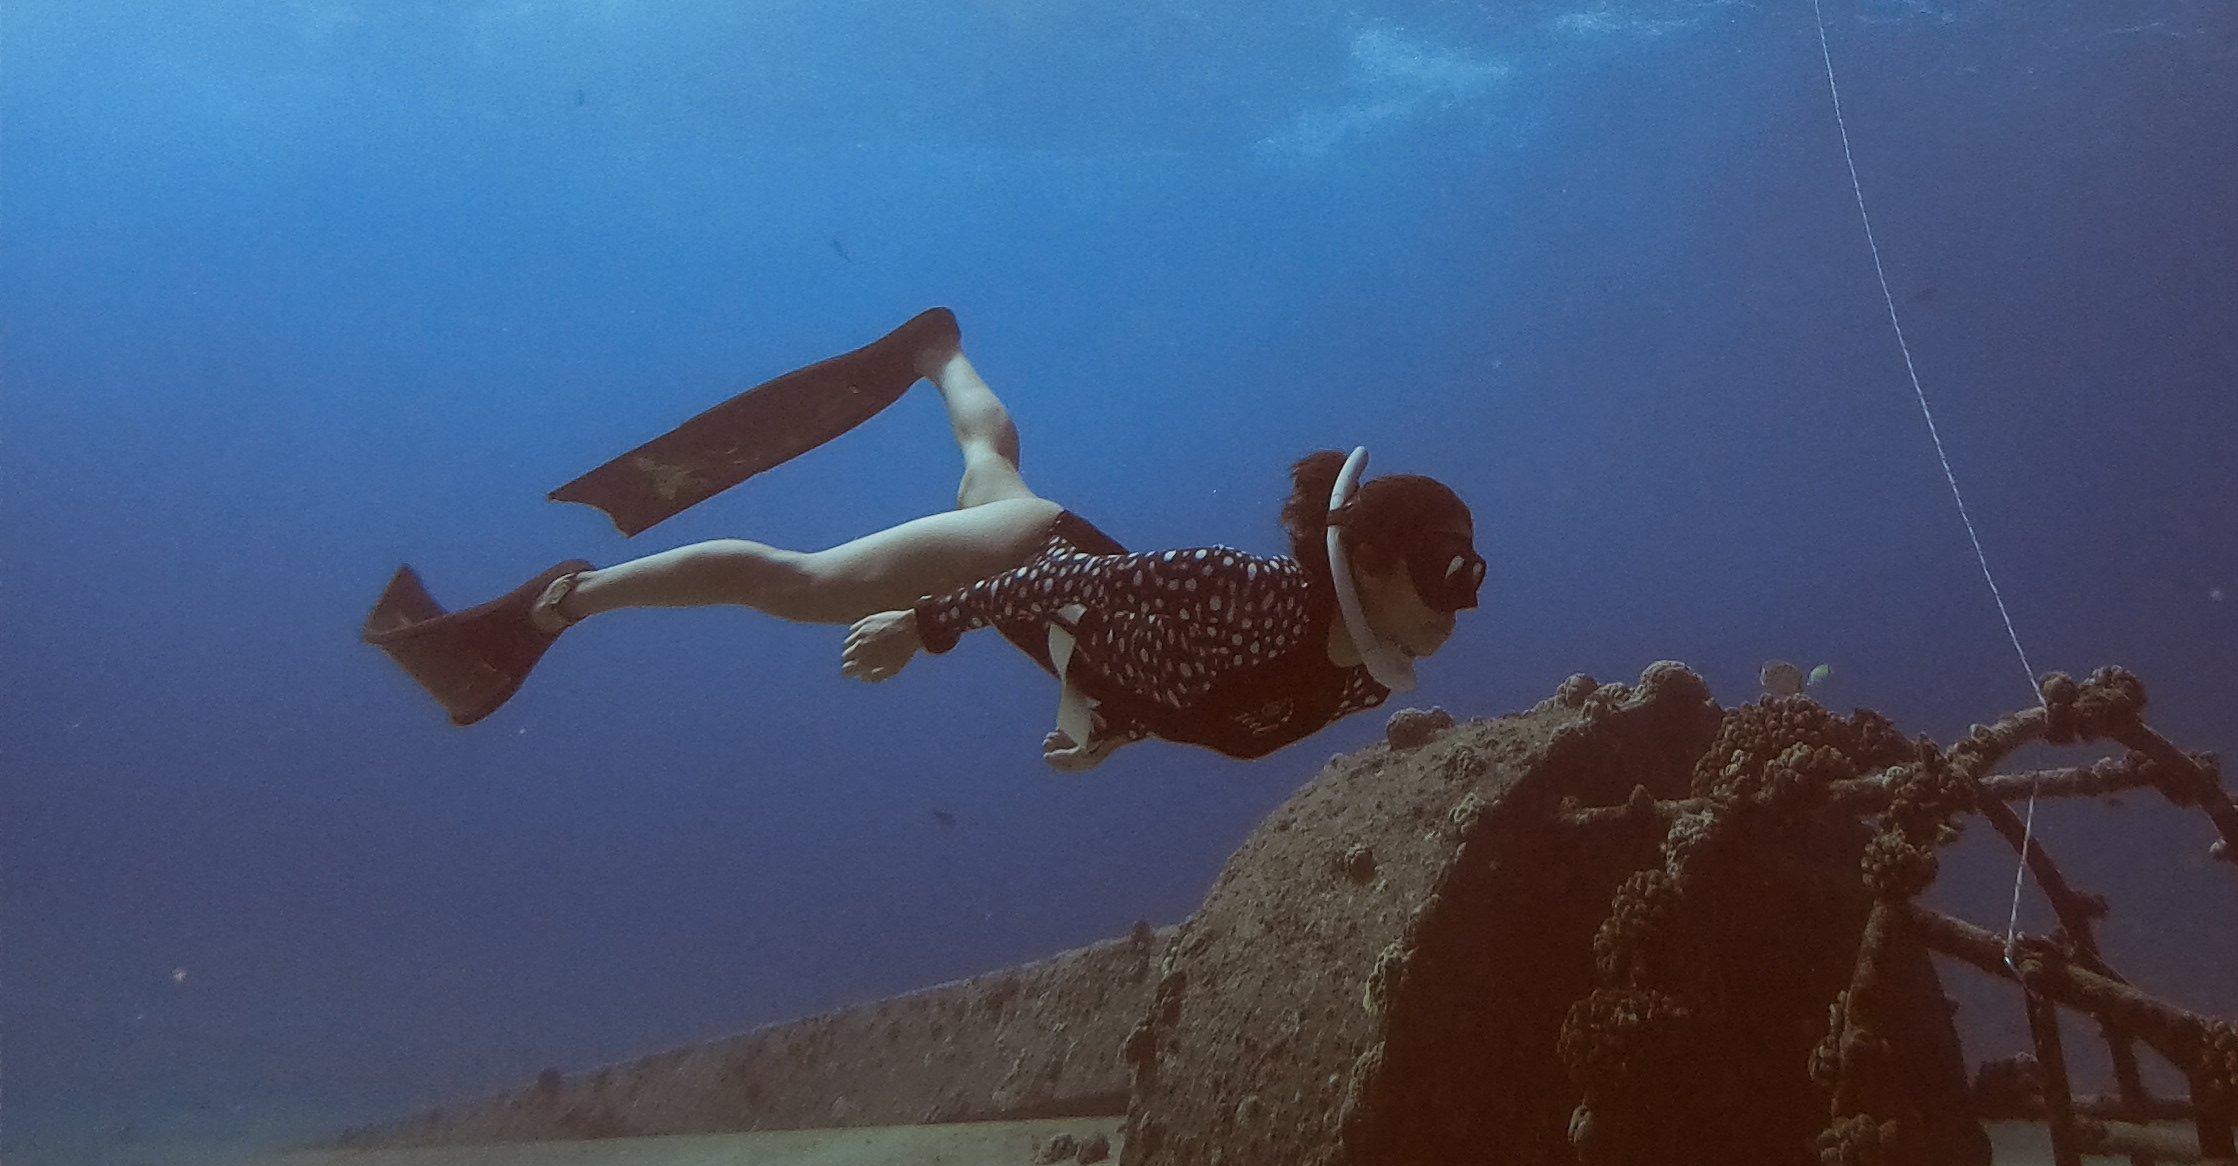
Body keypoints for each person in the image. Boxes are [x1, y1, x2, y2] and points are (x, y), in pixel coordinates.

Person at [363, 320, 1483, 771]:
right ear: (1373, 564)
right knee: (801, 586)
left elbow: (1196, 692)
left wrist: (1097, 726)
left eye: (1464, 575)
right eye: (1444, 572)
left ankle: (938, 351)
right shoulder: (1246, 594)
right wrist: (921, 627)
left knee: (989, 472)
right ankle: (562, 599)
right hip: (1038, 568)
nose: (1459, 602)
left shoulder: (1354, 685)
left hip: (1059, 619)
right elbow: (1076, 580)